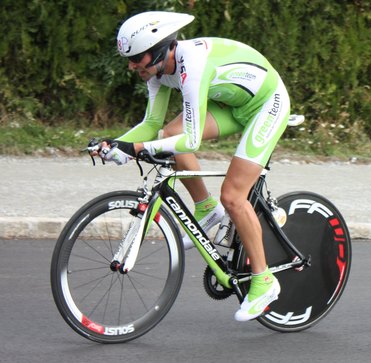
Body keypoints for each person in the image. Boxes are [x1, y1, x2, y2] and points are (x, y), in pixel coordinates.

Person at [101, 11, 290, 321]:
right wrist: (115, 143)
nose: (131, 65)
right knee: (168, 134)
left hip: (266, 104)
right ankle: (205, 209)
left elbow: (190, 141)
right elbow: (151, 125)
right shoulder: (159, 72)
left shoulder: (192, 63)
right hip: (233, 105)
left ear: (159, 49)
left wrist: (133, 149)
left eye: (136, 58)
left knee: (233, 196)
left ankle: (264, 280)